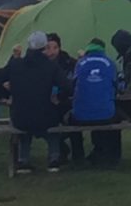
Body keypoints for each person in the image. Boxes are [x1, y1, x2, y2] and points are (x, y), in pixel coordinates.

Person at [0, 31, 70, 174]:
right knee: (53, 125)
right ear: (44, 47)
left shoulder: (15, 65)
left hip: (20, 116)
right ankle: (54, 159)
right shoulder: (51, 67)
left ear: (28, 47)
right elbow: (68, 87)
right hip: (46, 116)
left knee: (24, 127)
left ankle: (24, 160)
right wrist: (59, 98)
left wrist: (7, 94)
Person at [71, 38, 120, 166]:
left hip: (80, 116)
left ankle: (78, 156)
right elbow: (118, 86)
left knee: (69, 120)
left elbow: (72, 85)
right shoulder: (110, 63)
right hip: (106, 116)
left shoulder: (79, 64)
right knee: (115, 115)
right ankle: (113, 156)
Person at [44, 33, 83, 164]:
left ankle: (78, 156)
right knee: (45, 123)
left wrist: (61, 97)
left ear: (59, 48)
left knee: (73, 120)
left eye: (55, 47)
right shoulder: (40, 65)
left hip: (68, 102)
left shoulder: (69, 62)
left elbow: (74, 84)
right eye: (48, 48)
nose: (51, 52)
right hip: (47, 104)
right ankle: (60, 150)